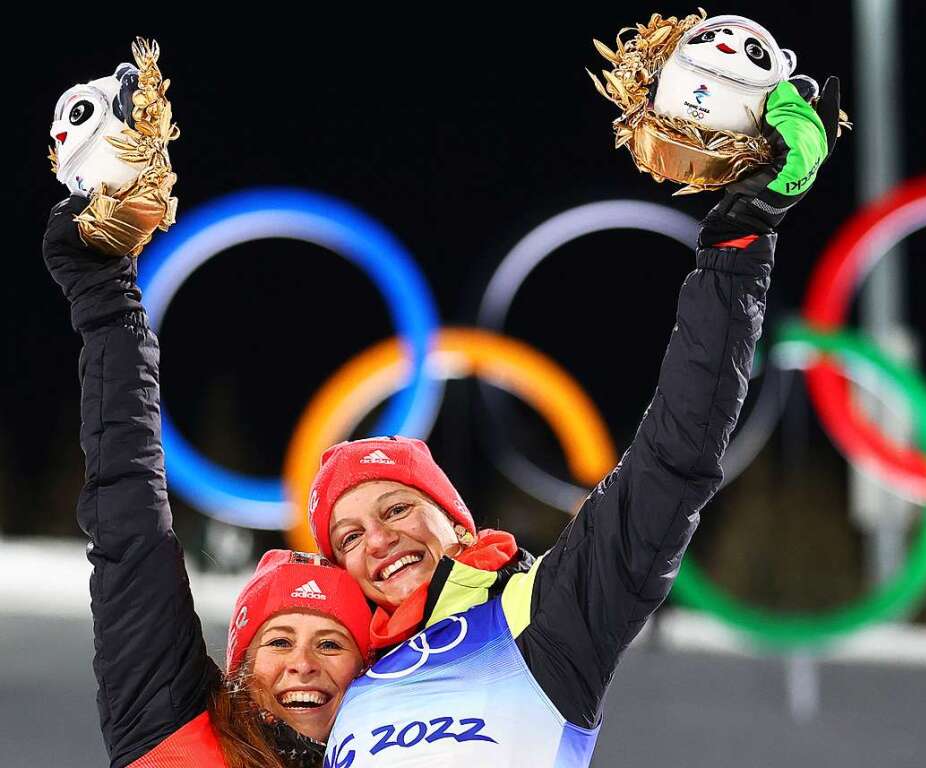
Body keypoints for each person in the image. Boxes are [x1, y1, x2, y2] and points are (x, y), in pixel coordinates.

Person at [308, 76, 843, 767]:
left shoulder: (546, 615)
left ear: (455, 518)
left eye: (396, 508)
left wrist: (739, 247)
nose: (377, 539)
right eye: (348, 536)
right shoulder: (323, 679)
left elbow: (672, 460)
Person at [42, 195, 374, 768]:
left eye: (330, 643)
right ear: (240, 663)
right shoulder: (169, 723)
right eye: (278, 641)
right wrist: (106, 301)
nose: (303, 663)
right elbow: (130, 522)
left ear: (369, 668)